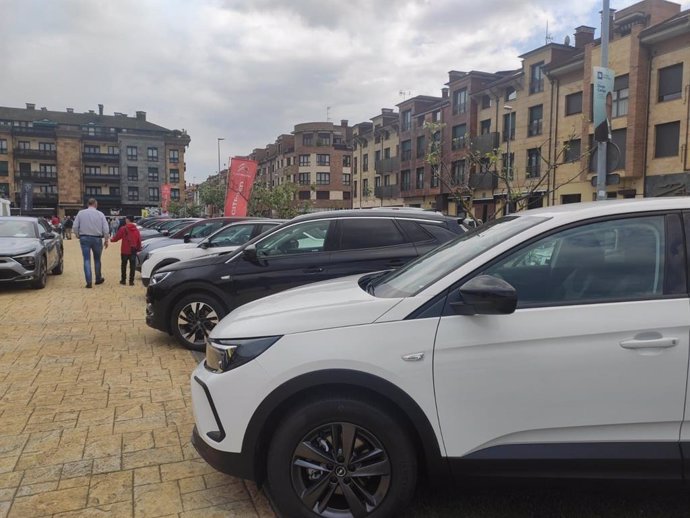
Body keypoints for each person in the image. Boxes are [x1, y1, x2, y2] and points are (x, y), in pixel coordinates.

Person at [73, 198, 110, 288]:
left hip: (84, 237)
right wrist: (106, 239)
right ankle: (98, 278)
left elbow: (75, 226)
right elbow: (106, 228)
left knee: (86, 259)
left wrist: (78, 235)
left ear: (88, 204)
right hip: (97, 238)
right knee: (97, 259)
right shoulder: (100, 214)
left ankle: (88, 281)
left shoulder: (81, 213)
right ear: (95, 204)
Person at [111, 215, 142, 286]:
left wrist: (112, 240)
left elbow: (117, 237)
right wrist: (138, 248)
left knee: (124, 265)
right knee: (132, 266)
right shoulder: (136, 230)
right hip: (133, 250)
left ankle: (123, 280)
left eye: (126, 219)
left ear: (127, 220)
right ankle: (131, 281)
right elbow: (139, 240)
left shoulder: (123, 228)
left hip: (125, 250)